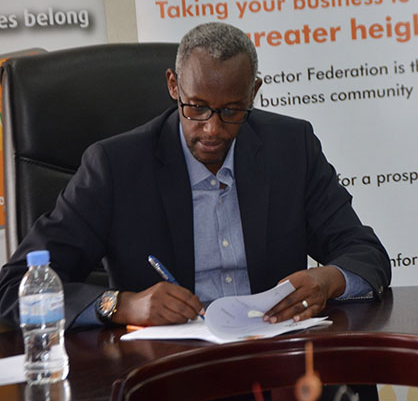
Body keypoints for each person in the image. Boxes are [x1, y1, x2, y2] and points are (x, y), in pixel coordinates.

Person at [0, 22, 391, 329]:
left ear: (253, 92)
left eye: (232, 111)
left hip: (274, 359)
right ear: (174, 86)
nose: (212, 129)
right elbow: (16, 288)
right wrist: (122, 305)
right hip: (167, 372)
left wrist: (327, 280)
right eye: (197, 108)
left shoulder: (290, 148)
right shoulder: (116, 166)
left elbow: (365, 252)